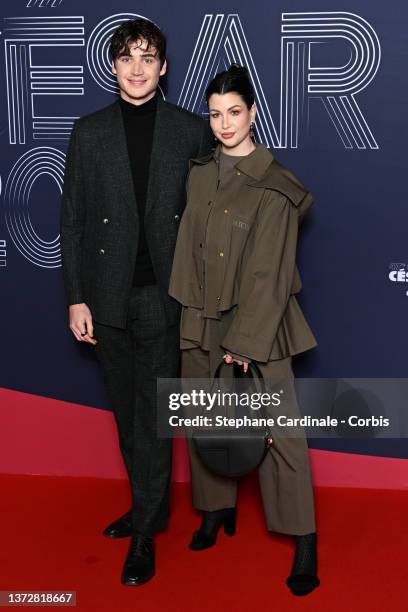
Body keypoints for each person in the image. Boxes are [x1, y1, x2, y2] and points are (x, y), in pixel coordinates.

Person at [60, 18, 212, 586]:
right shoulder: (89, 131)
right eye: (127, 57)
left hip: (164, 297)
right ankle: (147, 505)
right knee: (128, 418)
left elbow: (206, 221)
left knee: (152, 419)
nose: (138, 67)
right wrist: (77, 300)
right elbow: (71, 222)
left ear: (164, 66)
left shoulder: (189, 131)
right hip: (106, 296)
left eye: (148, 57)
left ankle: (145, 531)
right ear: (114, 65)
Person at [169, 64, 320, 596]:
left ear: (253, 113)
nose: (224, 123)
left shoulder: (275, 185)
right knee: (205, 418)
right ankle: (214, 511)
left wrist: (243, 344)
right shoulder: (199, 172)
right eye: (215, 114)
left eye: (234, 112)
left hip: (257, 323)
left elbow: (269, 273)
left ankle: (303, 535)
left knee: (279, 433)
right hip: (198, 317)